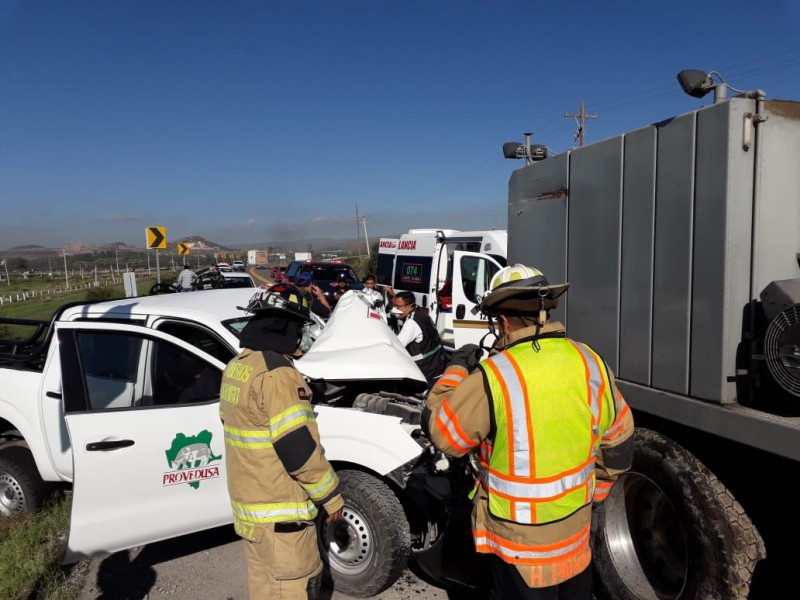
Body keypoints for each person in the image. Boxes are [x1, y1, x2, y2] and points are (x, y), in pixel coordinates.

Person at [423, 264, 635, 600]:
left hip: (520, 553)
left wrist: (456, 369)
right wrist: (593, 496)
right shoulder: (590, 361)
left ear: (503, 322)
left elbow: (444, 436)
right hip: (576, 543)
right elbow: (620, 445)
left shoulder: (493, 375)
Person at [219, 284, 345, 600]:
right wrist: (331, 497)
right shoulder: (278, 374)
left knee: (265, 585)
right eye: (300, 326)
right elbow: (298, 449)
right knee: (290, 587)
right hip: (281, 514)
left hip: (253, 510)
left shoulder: (238, 366)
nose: (302, 334)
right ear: (283, 325)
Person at [390, 290, 447, 385]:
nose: (394, 309)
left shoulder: (411, 323)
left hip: (426, 370)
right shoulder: (421, 312)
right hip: (438, 363)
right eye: (394, 305)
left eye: (398, 306)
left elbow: (397, 345)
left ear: (409, 306)